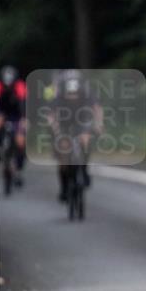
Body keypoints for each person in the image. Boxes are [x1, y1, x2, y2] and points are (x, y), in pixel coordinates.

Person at [44, 69, 101, 201]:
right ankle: (64, 187)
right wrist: (56, 130)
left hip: (81, 121)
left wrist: (97, 124)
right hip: (64, 123)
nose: (72, 97)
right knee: (63, 154)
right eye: (70, 94)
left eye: (75, 94)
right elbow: (51, 115)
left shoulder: (86, 94)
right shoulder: (58, 96)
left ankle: (84, 169)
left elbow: (97, 109)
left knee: (85, 141)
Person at [0, 65, 27, 183]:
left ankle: (19, 167)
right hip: (2, 114)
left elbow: (23, 103)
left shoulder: (20, 86)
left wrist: (24, 119)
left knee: (20, 141)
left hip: (17, 116)